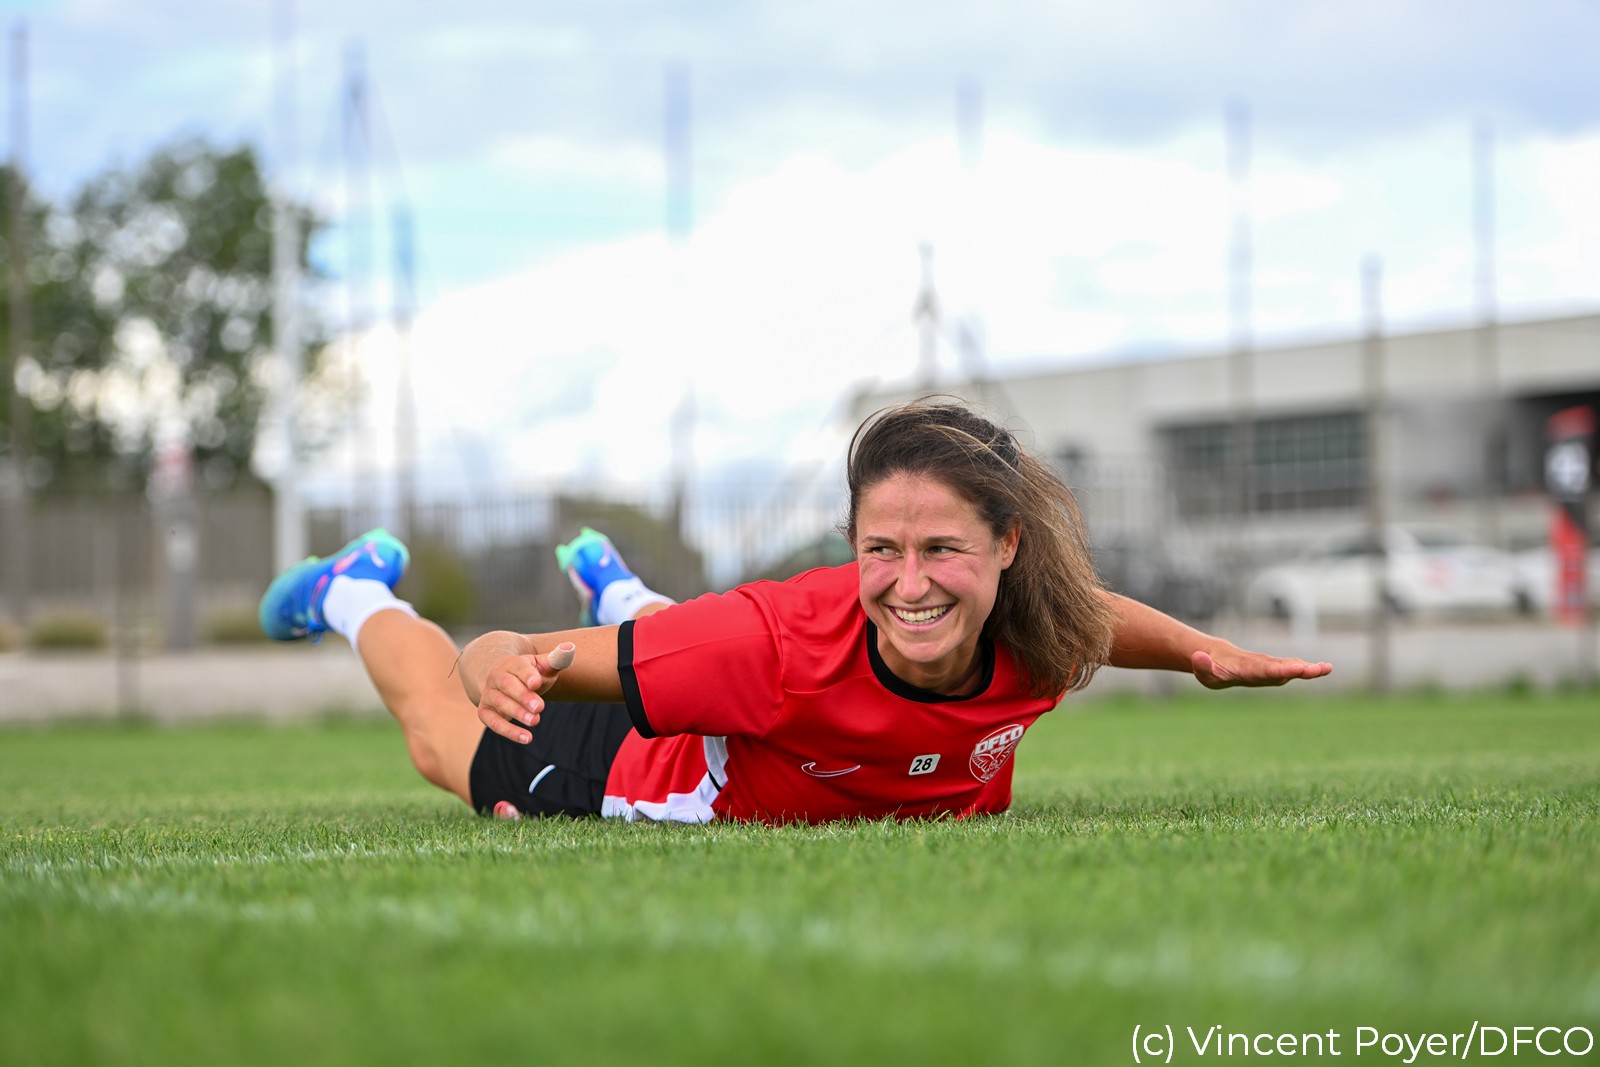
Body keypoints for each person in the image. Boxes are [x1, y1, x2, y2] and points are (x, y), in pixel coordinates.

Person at [258, 398, 1331, 824]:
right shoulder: (768, 645)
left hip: (703, 667)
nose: (910, 582)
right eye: (881, 549)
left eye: (943, 549)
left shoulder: (1038, 624)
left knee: (681, 646)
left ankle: (623, 594)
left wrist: (1201, 652)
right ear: (849, 544)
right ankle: (350, 589)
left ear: (1009, 547)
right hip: (628, 756)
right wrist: (486, 660)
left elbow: (1095, 614)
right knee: (440, 745)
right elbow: (515, 652)